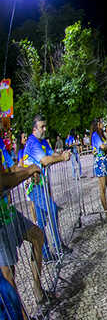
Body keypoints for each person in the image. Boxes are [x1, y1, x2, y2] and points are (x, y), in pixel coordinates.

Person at [0, 152, 47, 307]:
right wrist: (29, 171)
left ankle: (37, 288)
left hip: (7, 210)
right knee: (8, 272)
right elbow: (3, 181)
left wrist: (30, 170)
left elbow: (12, 169)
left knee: (37, 236)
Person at [22, 115, 72, 261]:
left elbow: (51, 155)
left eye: (45, 126)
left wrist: (62, 154)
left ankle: (45, 253)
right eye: (41, 127)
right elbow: (45, 160)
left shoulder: (43, 141)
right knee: (52, 209)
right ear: (34, 129)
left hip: (41, 184)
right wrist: (62, 158)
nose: (45, 129)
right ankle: (58, 246)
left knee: (42, 220)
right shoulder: (32, 142)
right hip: (34, 186)